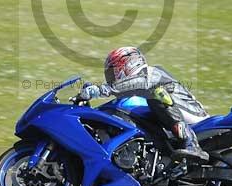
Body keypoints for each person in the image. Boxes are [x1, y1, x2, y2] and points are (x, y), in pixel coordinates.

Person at [79, 46, 210, 161]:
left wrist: (102, 90)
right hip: (172, 120)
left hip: (195, 116)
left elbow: (138, 83)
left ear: (128, 65)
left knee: (156, 94)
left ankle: (191, 143)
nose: (111, 78)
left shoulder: (151, 73)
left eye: (113, 72)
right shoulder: (137, 91)